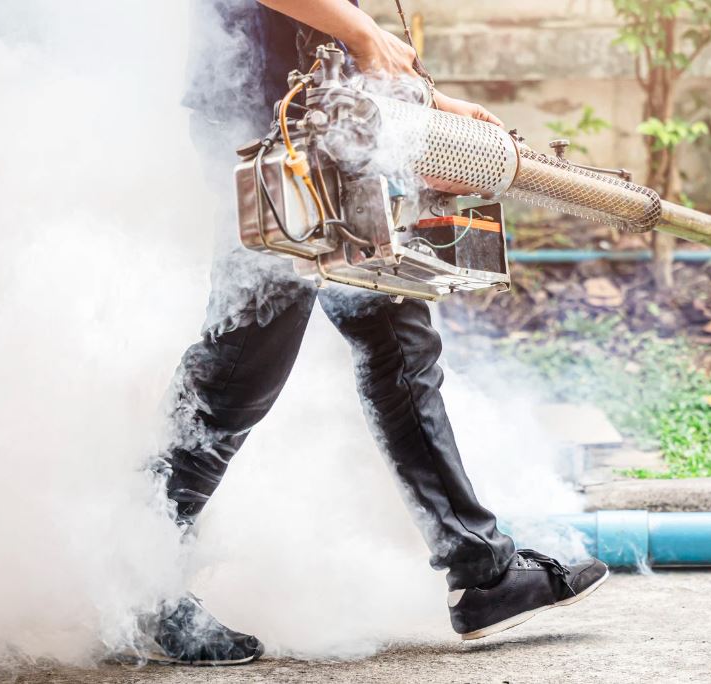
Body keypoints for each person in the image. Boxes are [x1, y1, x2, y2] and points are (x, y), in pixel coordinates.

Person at [145, 0, 608, 666]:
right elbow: (337, 27)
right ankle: (140, 587)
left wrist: (427, 98)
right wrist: (364, 33)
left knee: (398, 342)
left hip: (324, 126)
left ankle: (482, 571)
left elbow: (329, 31)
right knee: (244, 361)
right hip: (261, 121)